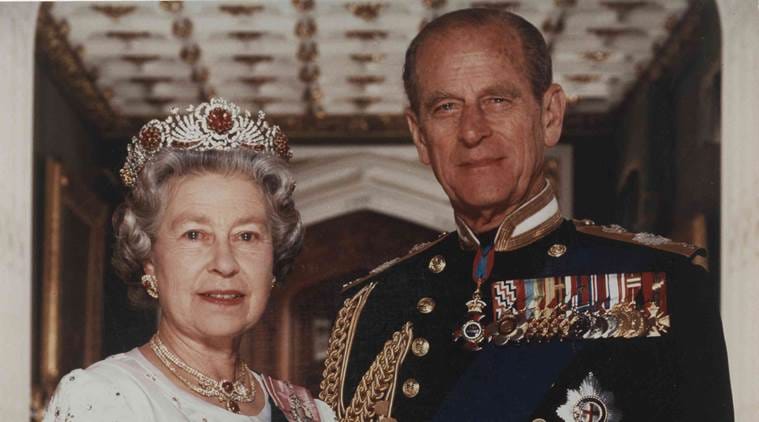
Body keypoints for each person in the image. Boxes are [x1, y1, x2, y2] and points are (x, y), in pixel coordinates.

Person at [319, 8, 732, 422]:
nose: (471, 130)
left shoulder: (658, 281)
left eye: (497, 100)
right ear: (420, 136)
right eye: (446, 107)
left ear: (549, 115)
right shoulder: (372, 307)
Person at [44, 98, 336, 422]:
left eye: (247, 236)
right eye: (195, 235)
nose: (225, 264)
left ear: (273, 258)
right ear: (149, 259)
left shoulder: (308, 412)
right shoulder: (106, 399)